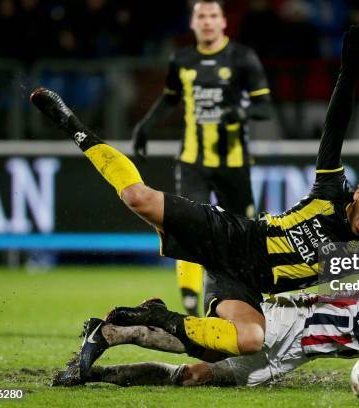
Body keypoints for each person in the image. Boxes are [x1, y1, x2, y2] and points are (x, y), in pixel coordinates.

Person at [31, 26, 359, 376]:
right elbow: (335, 126)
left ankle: (151, 317)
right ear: (358, 193)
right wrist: (349, 71)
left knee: (248, 339)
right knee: (136, 197)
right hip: (235, 235)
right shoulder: (331, 192)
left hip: (248, 281)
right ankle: (74, 125)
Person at [53, 282, 359, 388]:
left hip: (297, 356)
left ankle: (98, 376)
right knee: (217, 340)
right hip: (292, 321)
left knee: (197, 376)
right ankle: (124, 326)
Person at [132, 0, 272, 317]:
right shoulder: (182, 60)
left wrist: (240, 111)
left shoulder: (242, 57)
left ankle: (248, 293)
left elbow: (264, 107)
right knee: (186, 224)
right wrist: (146, 125)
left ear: (223, 22)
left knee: (244, 231)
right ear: (193, 24)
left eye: (212, 16)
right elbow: (170, 99)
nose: (207, 22)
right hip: (193, 161)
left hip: (234, 163)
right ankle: (191, 300)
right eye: (201, 17)